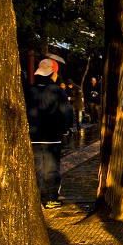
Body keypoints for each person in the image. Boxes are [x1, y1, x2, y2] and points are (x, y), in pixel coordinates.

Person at [26, 58, 73, 209]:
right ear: (53, 73)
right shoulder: (58, 91)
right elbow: (66, 113)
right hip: (52, 137)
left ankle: (35, 199)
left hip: (33, 137)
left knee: (36, 169)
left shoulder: (29, 90)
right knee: (51, 169)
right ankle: (51, 199)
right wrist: (66, 130)